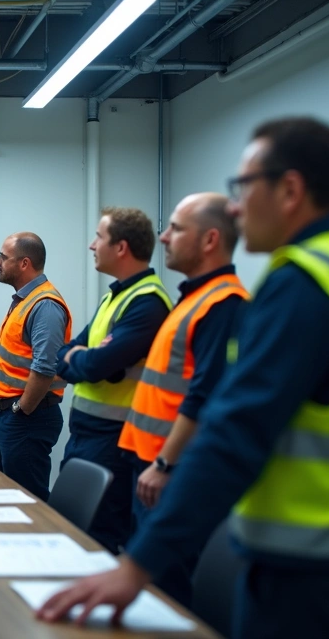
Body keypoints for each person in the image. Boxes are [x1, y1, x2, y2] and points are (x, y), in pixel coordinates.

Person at [39, 117, 329, 639]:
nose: (235, 207)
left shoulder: (301, 284)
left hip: (310, 572)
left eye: (242, 187)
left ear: (290, 190)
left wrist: (136, 565)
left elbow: (233, 431)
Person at [114, 193, 248, 606]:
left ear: (209, 240)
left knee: (168, 592)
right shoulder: (192, 298)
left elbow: (205, 393)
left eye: (176, 228)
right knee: (155, 592)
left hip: (170, 472)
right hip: (152, 464)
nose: (164, 237)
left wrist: (165, 463)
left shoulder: (224, 303)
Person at [56, 207, 171, 553]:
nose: (92, 246)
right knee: (71, 530)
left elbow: (91, 365)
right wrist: (86, 358)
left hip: (114, 440)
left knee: (97, 539)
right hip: (85, 434)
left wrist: (88, 360)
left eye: (99, 238)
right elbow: (66, 356)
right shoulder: (114, 296)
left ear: (121, 247)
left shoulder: (147, 303)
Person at [0, 232, 71, 501]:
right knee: (10, 496)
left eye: (3, 257)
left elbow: (45, 366)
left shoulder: (44, 305)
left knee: (26, 501)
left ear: (24, 263)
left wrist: (22, 409)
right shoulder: (25, 299)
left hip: (27, 419)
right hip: (10, 416)